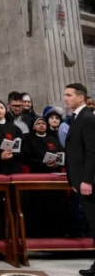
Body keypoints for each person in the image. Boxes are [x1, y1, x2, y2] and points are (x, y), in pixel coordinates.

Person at [64, 83, 95, 276]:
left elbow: (92, 151)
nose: (65, 98)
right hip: (80, 180)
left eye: (68, 95)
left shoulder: (87, 119)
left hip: (88, 182)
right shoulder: (78, 117)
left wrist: (87, 180)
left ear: (81, 97)